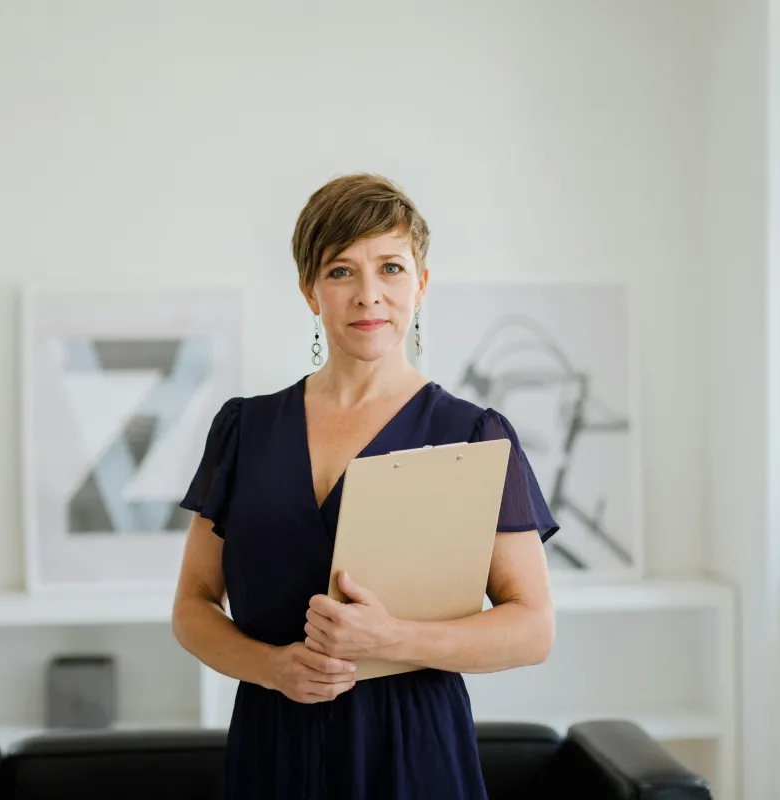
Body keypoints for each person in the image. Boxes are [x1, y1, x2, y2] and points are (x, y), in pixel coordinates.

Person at [171, 173, 560, 800]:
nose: (369, 295)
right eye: (342, 271)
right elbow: (192, 605)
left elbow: (533, 628)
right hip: (272, 743)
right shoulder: (245, 428)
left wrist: (393, 639)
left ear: (422, 283)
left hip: (413, 753)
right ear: (310, 291)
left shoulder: (475, 435)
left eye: (391, 268)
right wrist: (273, 668)